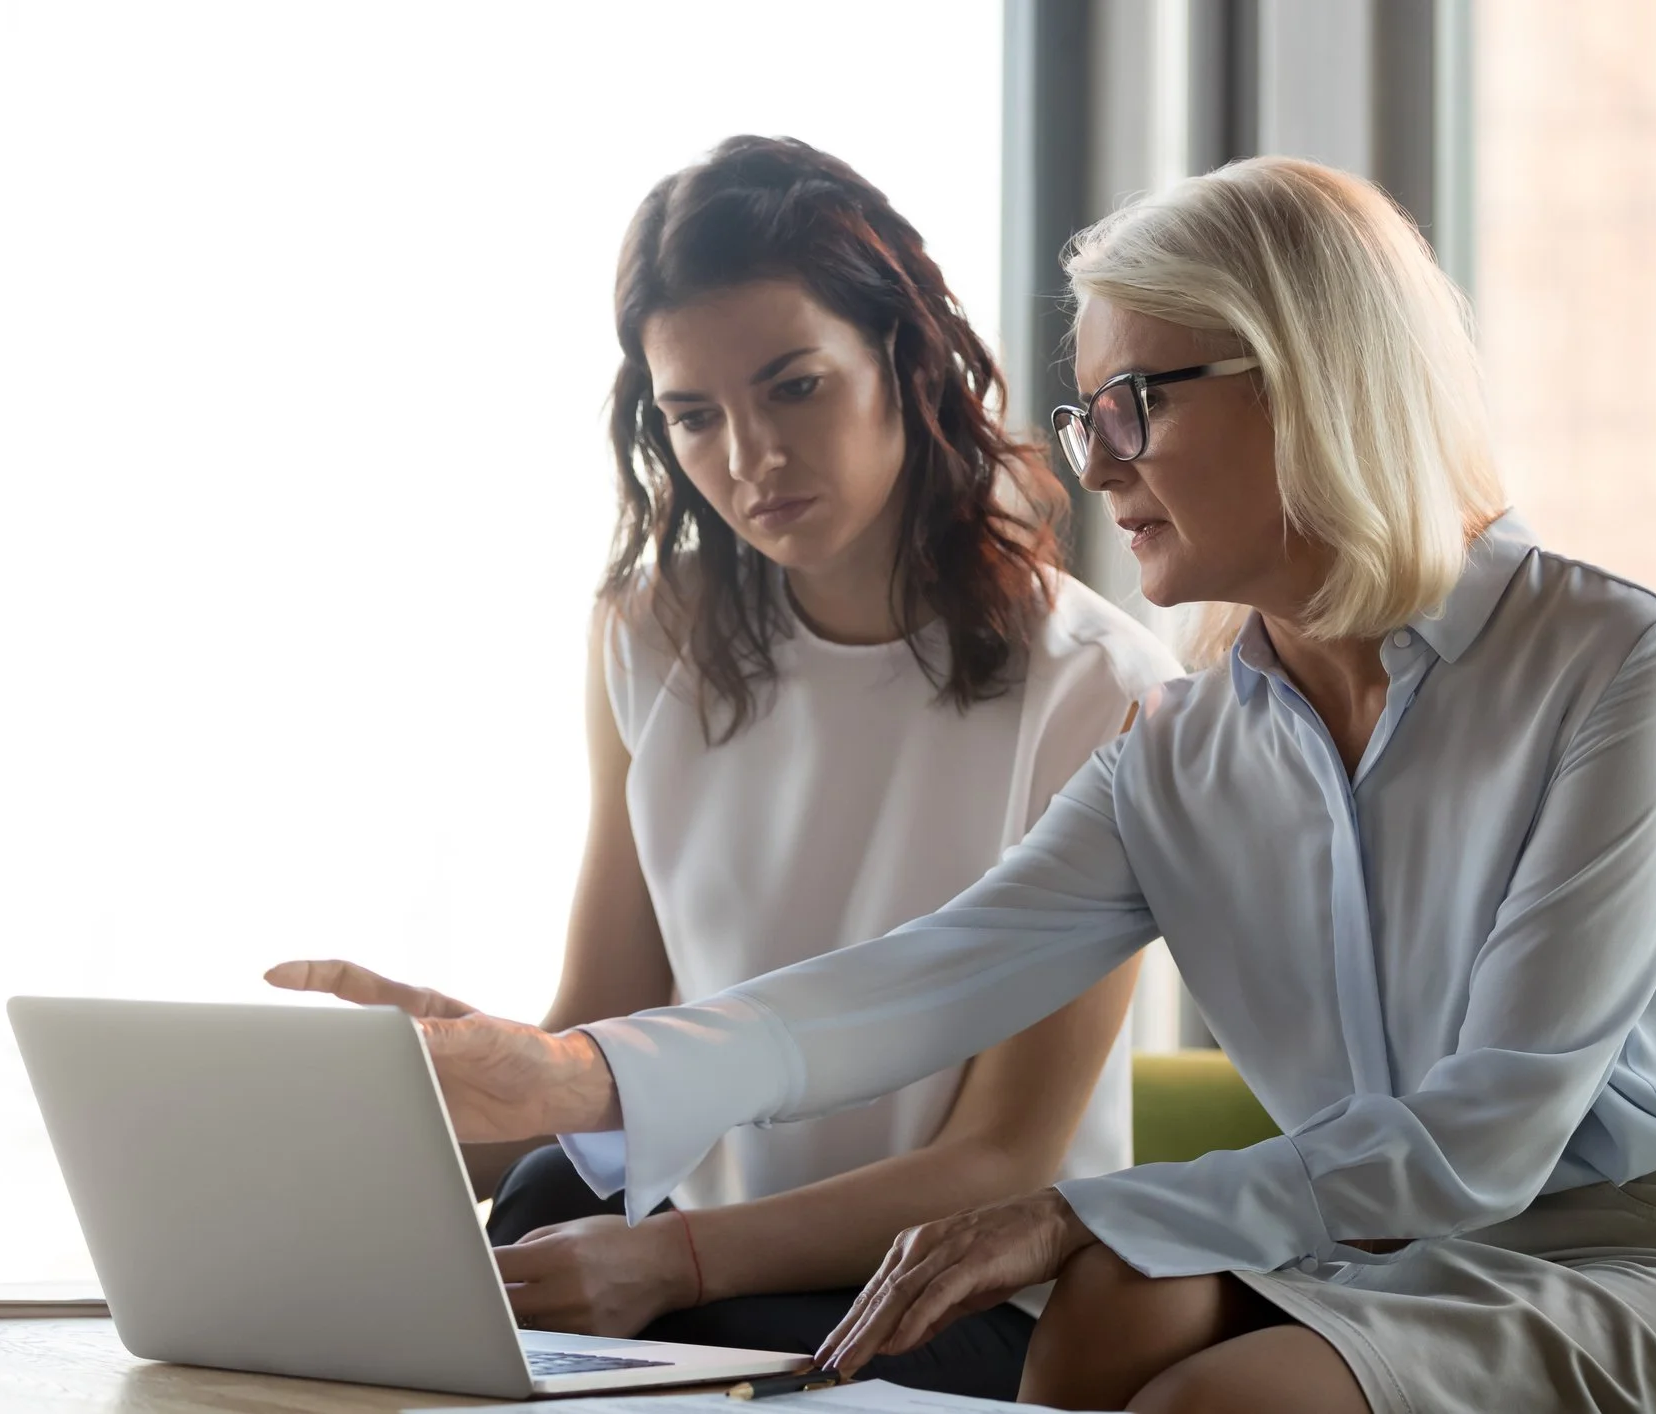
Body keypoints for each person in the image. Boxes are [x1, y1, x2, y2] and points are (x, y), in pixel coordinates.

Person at [278, 155, 1656, 1414]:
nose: (1094, 461)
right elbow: (910, 983)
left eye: (1135, 402)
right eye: (1082, 410)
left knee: (1217, 1381)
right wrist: (563, 1078)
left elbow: (1486, 1133)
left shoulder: (1612, 659)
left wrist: (1080, 1209)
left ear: (1309, 376)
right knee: (1114, 1311)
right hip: (1395, 1258)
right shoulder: (1184, 745)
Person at [269, 136, 1179, 1401]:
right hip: (688, 1268)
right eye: (693, 415)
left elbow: (1004, 1161)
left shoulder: (1103, 688)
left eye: (794, 387)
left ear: (905, 363)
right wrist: (385, 1123)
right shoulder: (653, 633)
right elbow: (605, 1031)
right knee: (472, 1262)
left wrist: (672, 1262)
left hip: (940, 1298)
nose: (749, 457)